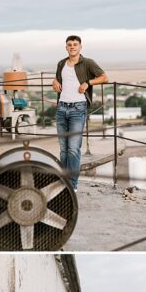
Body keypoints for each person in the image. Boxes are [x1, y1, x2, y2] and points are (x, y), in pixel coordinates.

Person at [52, 36, 108, 191]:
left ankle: (72, 185)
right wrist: (54, 82)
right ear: (66, 48)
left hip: (78, 108)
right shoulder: (61, 63)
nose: (72, 47)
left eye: (75, 45)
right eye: (69, 45)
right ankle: (63, 181)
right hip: (61, 108)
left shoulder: (88, 63)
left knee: (73, 148)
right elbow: (57, 81)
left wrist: (88, 83)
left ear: (80, 47)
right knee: (63, 149)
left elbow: (104, 77)